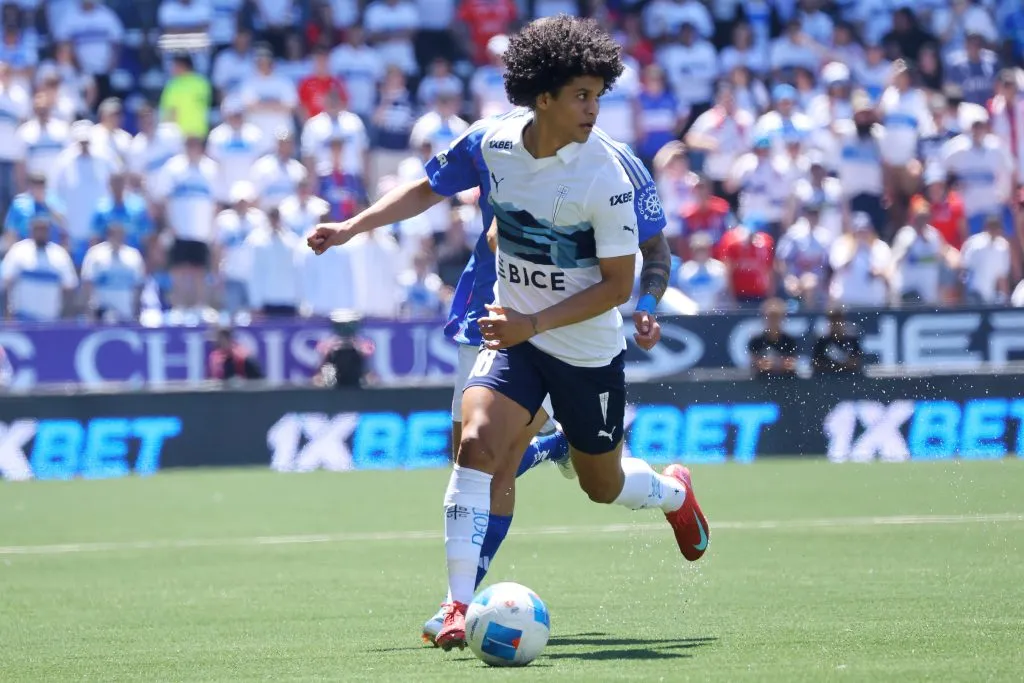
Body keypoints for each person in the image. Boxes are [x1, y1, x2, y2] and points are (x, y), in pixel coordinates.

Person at [306, 18, 694, 649]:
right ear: (542, 97)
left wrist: (612, 308)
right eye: (582, 95)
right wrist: (352, 227)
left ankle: (673, 492)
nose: (595, 109)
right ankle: (458, 604)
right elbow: (426, 189)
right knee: (477, 450)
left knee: (603, 486)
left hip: (583, 347)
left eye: (599, 95)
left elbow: (626, 280)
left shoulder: (610, 174)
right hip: (507, 329)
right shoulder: (493, 144)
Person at [747, 298, 798, 379]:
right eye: (770, 316)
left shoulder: (790, 341)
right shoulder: (756, 341)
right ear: (764, 317)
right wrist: (761, 364)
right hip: (761, 384)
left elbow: (791, 364)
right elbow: (753, 364)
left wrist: (777, 365)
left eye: (776, 316)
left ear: (783, 318)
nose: (773, 320)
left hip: (785, 384)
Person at [812, 308, 863, 376]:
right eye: (833, 321)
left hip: (849, 379)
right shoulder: (822, 342)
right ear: (829, 323)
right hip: (827, 379)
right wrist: (842, 365)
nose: (836, 324)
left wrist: (833, 365)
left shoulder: (852, 341)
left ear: (843, 322)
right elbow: (816, 364)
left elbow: (856, 363)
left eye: (838, 321)